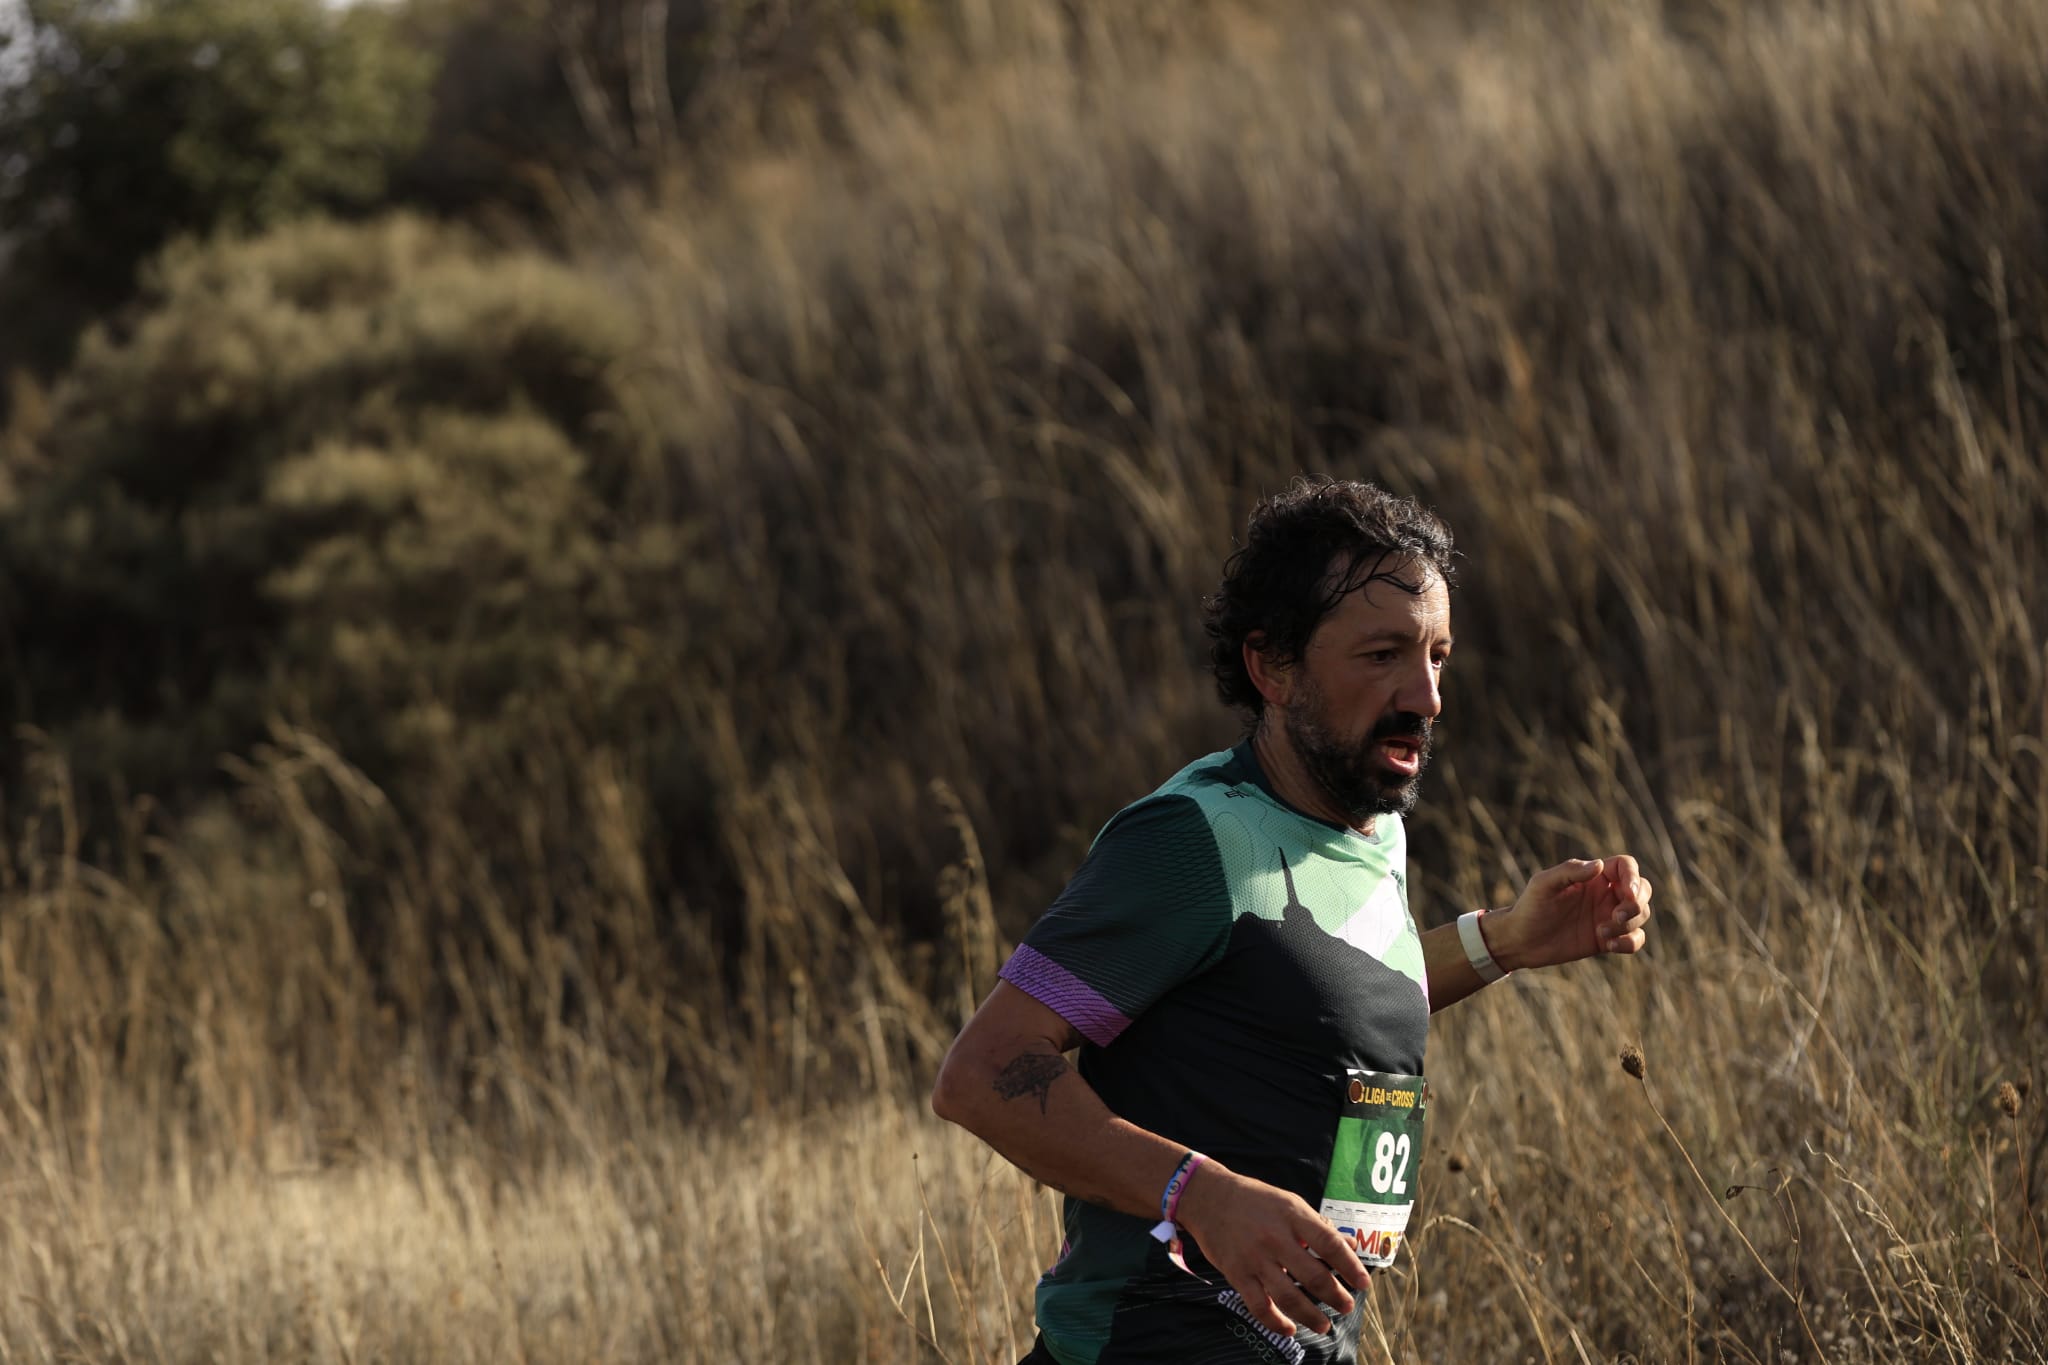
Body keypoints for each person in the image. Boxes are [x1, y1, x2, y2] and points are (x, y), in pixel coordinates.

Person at [931, 477, 1655, 1365]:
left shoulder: (1372, 828)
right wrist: (1200, 1194)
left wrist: (1503, 942)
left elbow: (1305, 1002)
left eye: (1437, 656)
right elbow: (983, 1070)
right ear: (1271, 666)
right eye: (1383, 654)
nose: (1424, 697)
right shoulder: (1195, 836)